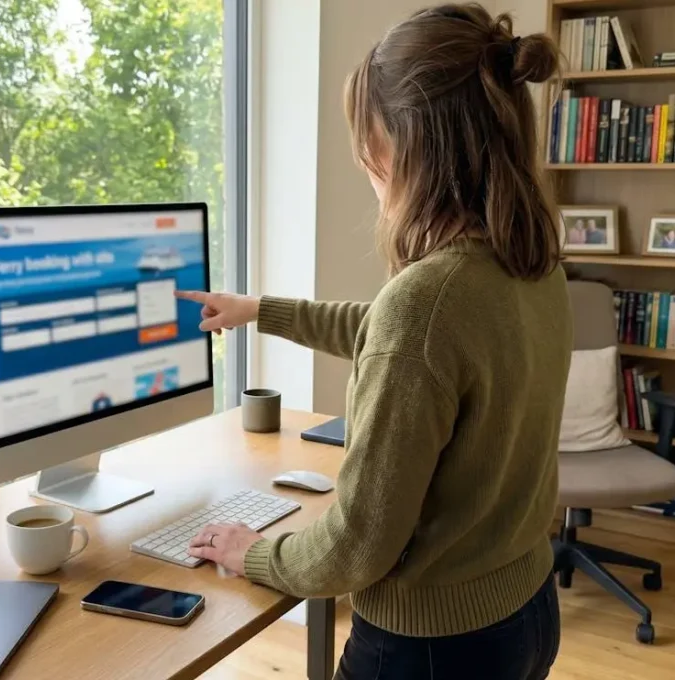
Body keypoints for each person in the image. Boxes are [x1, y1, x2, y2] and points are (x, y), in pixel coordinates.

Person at [175, 5, 569, 678]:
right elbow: (397, 337)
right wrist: (257, 310)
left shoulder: (426, 302)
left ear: (409, 145)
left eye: (370, 136)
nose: (361, 156)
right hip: (526, 611)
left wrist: (254, 553)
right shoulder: (529, 263)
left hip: (432, 649)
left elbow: (357, 545)